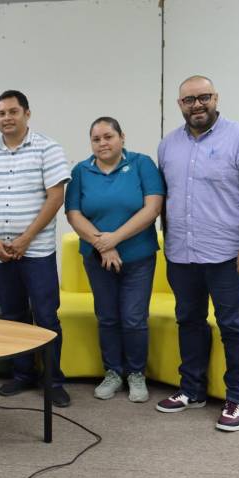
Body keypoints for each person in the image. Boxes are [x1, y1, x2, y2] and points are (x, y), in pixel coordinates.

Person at [155, 75, 239, 432]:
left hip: (227, 256)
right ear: (180, 105)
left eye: (203, 97)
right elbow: (166, 199)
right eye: (189, 100)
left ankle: (238, 398)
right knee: (188, 321)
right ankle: (192, 389)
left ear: (215, 98)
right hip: (182, 254)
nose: (197, 105)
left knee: (234, 326)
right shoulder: (168, 145)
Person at [0, 90, 72, 407]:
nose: (7, 118)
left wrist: (26, 238)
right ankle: (22, 374)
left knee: (45, 316)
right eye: (1, 113)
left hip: (37, 252)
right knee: (12, 317)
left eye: (13, 112)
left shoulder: (48, 149)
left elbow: (56, 197)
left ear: (27, 114)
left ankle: (53, 379)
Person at [65, 117, 165, 403]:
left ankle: (136, 373)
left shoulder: (141, 164)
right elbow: (74, 214)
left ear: (122, 136)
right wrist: (102, 244)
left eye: (108, 136)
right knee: (107, 317)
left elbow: (152, 207)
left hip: (138, 258)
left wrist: (115, 239)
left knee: (134, 318)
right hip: (97, 259)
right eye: (96, 139)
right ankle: (112, 372)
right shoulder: (81, 171)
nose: (103, 143)